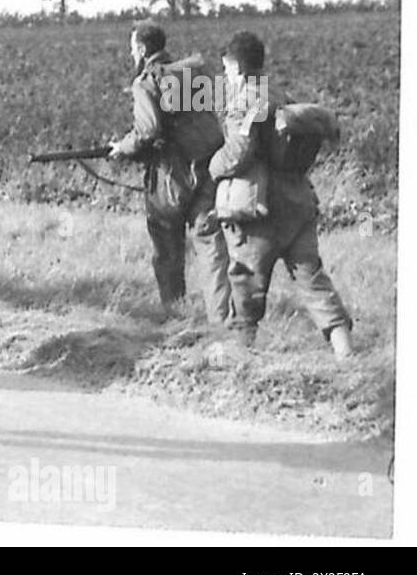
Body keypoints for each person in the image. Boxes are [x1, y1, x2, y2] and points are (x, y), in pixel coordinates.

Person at [208, 31, 354, 359]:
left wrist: (213, 168)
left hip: (259, 209)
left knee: (245, 283)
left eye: (227, 70)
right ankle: (346, 355)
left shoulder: (246, 98)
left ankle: (239, 357)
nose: (225, 77)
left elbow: (240, 150)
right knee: (313, 280)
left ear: (238, 68)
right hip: (298, 201)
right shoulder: (278, 92)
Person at [108, 21, 230, 323]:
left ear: (141, 49)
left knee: (167, 247)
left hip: (171, 177)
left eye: (132, 47)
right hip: (209, 165)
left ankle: (175, 318)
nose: (131, 52)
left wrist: (122, 148)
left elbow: (148, 132)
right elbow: (208, 117)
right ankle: (223, 321)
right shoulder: (191, 72)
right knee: (211, 246)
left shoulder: (145, 82)